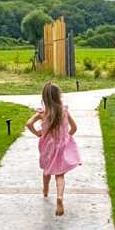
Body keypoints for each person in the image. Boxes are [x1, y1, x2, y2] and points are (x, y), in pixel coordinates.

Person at [26, 82, 81, 216]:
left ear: (44, 98)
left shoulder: (42, 113)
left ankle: (45, 191)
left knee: (46, 170)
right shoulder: (64, 111)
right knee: (59, 174)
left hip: (48, 148)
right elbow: (74, 128)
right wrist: (66, 138)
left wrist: (38, 133)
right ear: (58, 96)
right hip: (61, 147)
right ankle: (60, 197)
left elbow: (28, 124)